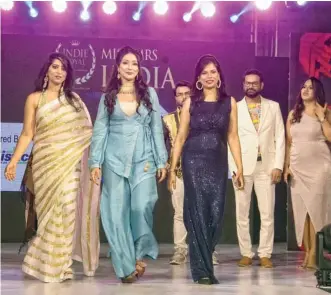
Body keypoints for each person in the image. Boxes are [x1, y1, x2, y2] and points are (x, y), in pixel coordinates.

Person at [4, 52, 100, 282]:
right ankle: (49, 265)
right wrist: (14, 160)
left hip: (71, 163)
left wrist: (95, 162)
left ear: (67, 74)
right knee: (48, 214)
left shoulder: (74, 101)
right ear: (47, 70)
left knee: (68, 209)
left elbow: (87, 133)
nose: (59, 71)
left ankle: (63, 264)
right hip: (45, 164)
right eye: (55, 67)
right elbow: (28, 133)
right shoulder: (35, 99)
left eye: (63, 68)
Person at [89, 46, 167, 283]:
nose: (130, 67)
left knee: (141, 206)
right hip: (114, 160)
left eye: (134, 63)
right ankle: (126, 267)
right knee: (115, 213)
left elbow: (156, 128)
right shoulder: (108, 97)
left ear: (139, 68)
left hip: (144, 160)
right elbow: (100, 130)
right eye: (126, 63)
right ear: (118, 67)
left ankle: (137, 253)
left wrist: (161, 160)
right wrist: (95, 162)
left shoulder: (149, 94)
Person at [168, 54, 244, 284]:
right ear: (198, 78)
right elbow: (180, 137)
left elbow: (232, 136)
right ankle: (201, 270)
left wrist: (239, 167)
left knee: (216, 212)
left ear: (219, 75)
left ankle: (203, 257)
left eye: (213, 71)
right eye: (205, 72)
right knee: (198, 212)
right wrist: (173, 169)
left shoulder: (229, 102)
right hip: (193, 161)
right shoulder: (191, 102)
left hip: (218, 163)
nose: (209, 76)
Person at [228, 69, 285, 268]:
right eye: (247, 83)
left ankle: (264, 253)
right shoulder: (235, 107)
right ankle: (245, 253)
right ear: (243, 85)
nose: (251, 86)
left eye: (255, 83)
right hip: (243, 166)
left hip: (267, 166)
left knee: (267, 212)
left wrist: (278, 165)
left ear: (261, 85)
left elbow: (280, 138)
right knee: (242, 212)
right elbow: (230, 139)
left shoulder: (273, 107)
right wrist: (235, 169)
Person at [163, 81, 219, 266]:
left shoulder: (201, 116)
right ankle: (180, 250)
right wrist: (168, 168)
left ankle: (207, 251)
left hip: (201, 170)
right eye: (180, 94)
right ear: (175, 97)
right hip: (178, 171)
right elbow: (165, 146)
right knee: (179, 213)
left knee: (203, 211)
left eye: (187, 93)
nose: (184, 97)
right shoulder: (167, 120)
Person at [284, 77, 331, 270]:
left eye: (310, 88)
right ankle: (307, 250)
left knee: (315, 211)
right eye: (303, 86)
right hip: (297, 167)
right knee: (302, 211)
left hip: (319, 166)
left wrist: (321, 116)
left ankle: (315, 253)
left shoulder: (325, 111)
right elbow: (288, 143)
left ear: (317, 91)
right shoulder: (293, 114)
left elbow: (329, 136)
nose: (305, 89)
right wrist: (286, 166)